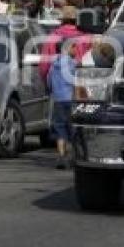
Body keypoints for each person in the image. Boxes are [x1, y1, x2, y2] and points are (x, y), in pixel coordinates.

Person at [38, 6, 92, 82]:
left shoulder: (52, 38)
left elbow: (44, 67)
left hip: (58, 82)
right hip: (80, 82)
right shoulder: (87, 39)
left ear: (62, 20)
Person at [47, 38, 77, 169]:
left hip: (58, 100)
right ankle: (71, 156)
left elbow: (48, 82)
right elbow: (77, 80)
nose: (75, 50)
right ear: (67, 48)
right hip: (71, 99)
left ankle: (61, 156)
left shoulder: (53, 65)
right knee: (72, 128)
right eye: (73, 47)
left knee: (60, 129)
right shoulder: (72, 63)